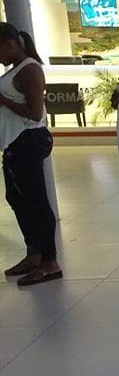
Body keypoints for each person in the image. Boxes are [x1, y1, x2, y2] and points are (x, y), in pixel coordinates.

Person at [0, 22, 61, 286]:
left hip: (28, 141)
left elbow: (36, 113)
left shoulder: (30, 71)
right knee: (17, 197)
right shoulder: (16, 70)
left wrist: (3, 101)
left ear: (10, 44)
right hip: (14, 143)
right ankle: (34, 253)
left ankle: (50, 261)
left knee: (36, 201)